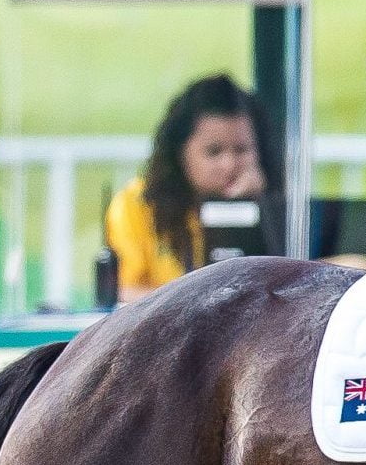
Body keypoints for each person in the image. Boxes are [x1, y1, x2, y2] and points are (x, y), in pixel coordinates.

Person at [104, 74, 270, 303]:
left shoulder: (272, 205)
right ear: (180, 153)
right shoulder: (137, 204)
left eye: (242, 150)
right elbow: (122, 292)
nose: (229, 165)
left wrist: (251, 211)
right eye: (214, 152)